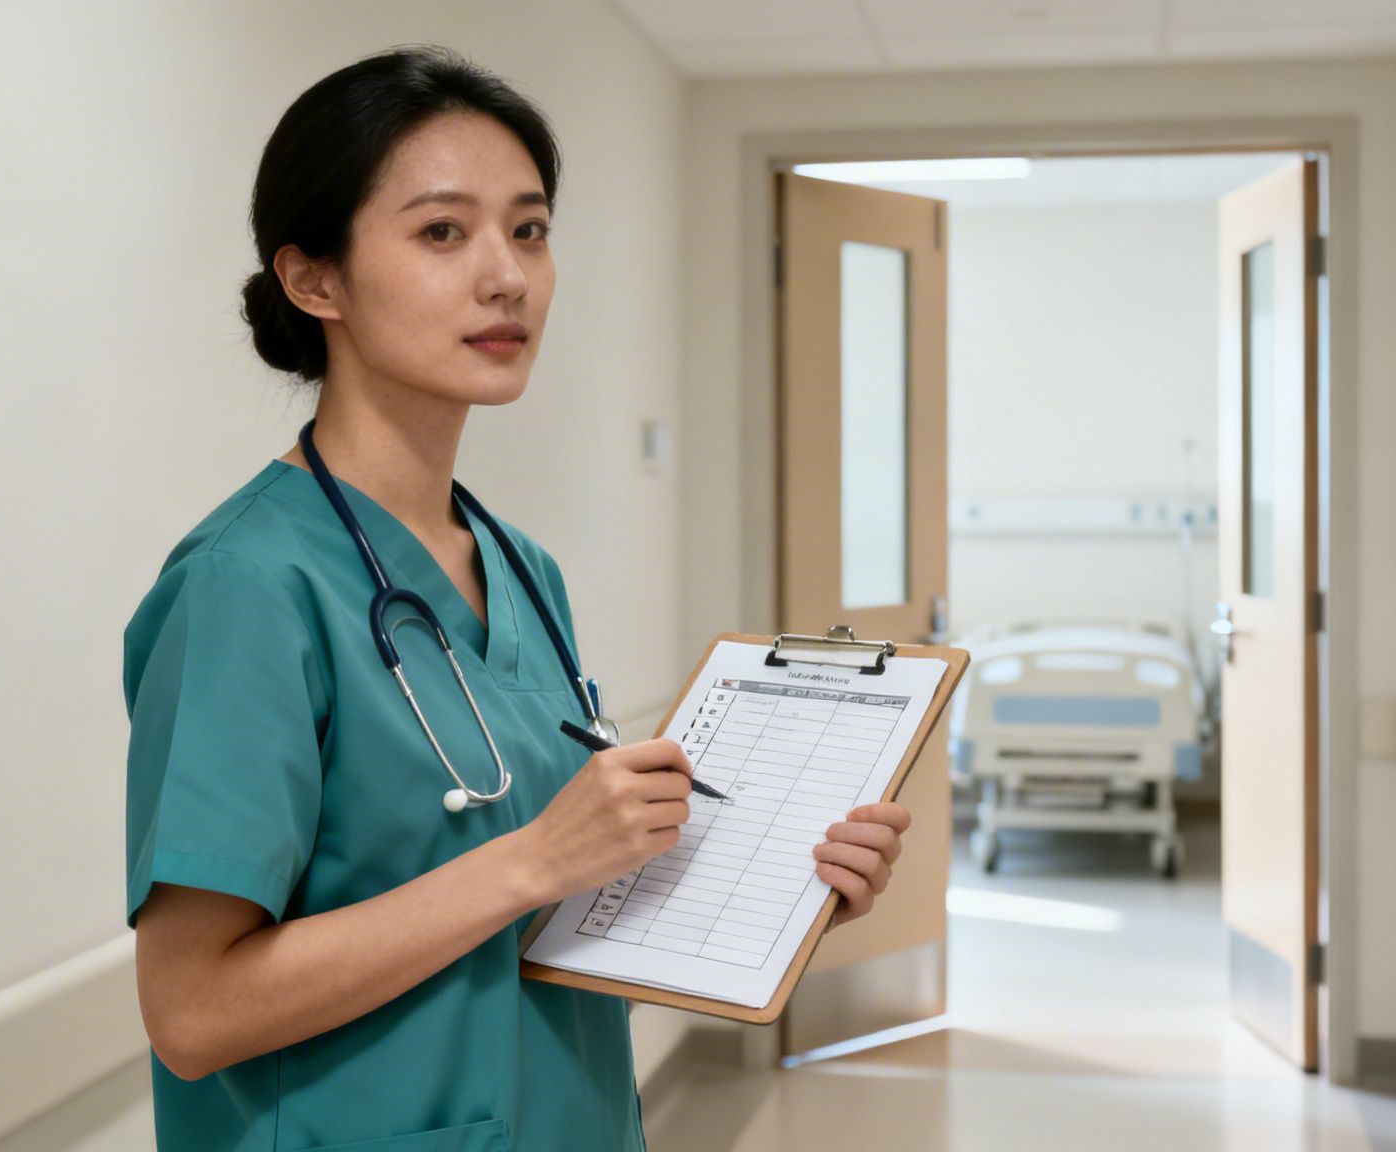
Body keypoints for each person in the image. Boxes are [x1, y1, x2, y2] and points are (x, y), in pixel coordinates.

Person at [123, 46, 913, 1152]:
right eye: (442, 232)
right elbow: (193, 1012)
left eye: (529, 230)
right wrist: (534, 859)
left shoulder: (519, 569)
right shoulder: (245, 587)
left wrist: (781, 883)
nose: (506, 275)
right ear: (315, 280)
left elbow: (554, 913)